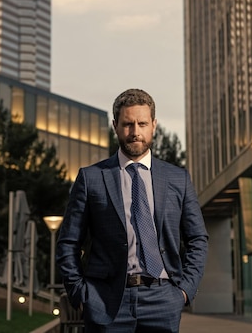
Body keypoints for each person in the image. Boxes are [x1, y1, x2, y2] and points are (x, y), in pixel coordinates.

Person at [56, 88, 208, 332]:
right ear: (116, 126)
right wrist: (81, 295)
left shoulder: (178, 178)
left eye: (142, 123)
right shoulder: (91, 178)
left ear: (154, 125)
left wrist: (184, 291)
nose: (135, 132)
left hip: (163, 299)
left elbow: (198, 238)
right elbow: (68, 242)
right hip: (106, 301)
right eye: (127, 124)